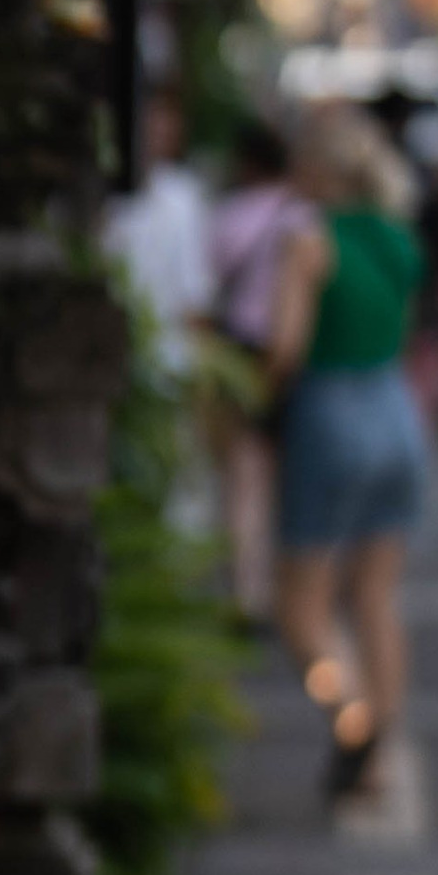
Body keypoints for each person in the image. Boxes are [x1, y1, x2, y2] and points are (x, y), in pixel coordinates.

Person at [264, 106, 430, 798]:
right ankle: (381, 751)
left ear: (314, 168)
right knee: (376, 597)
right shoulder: (397, 237)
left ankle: (352, 721)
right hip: (396, 411)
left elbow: (285, 347)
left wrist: (254, 402)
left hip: (329, 413)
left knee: (300, 607)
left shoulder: (308, 238)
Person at [206, 117, 310, 621]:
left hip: (244, 350)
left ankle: (246, 589)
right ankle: (278, 583)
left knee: (243, 476)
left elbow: (207, 280)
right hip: (293, 355)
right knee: (282, 474)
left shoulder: (231, 214)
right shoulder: (303, 215)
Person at [103, 81, 213, 362]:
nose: (159, 128)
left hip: (165, 360)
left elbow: (195, 294)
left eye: (165, 118)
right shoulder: (98, 192)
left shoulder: (183, 197)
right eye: (152, 116)